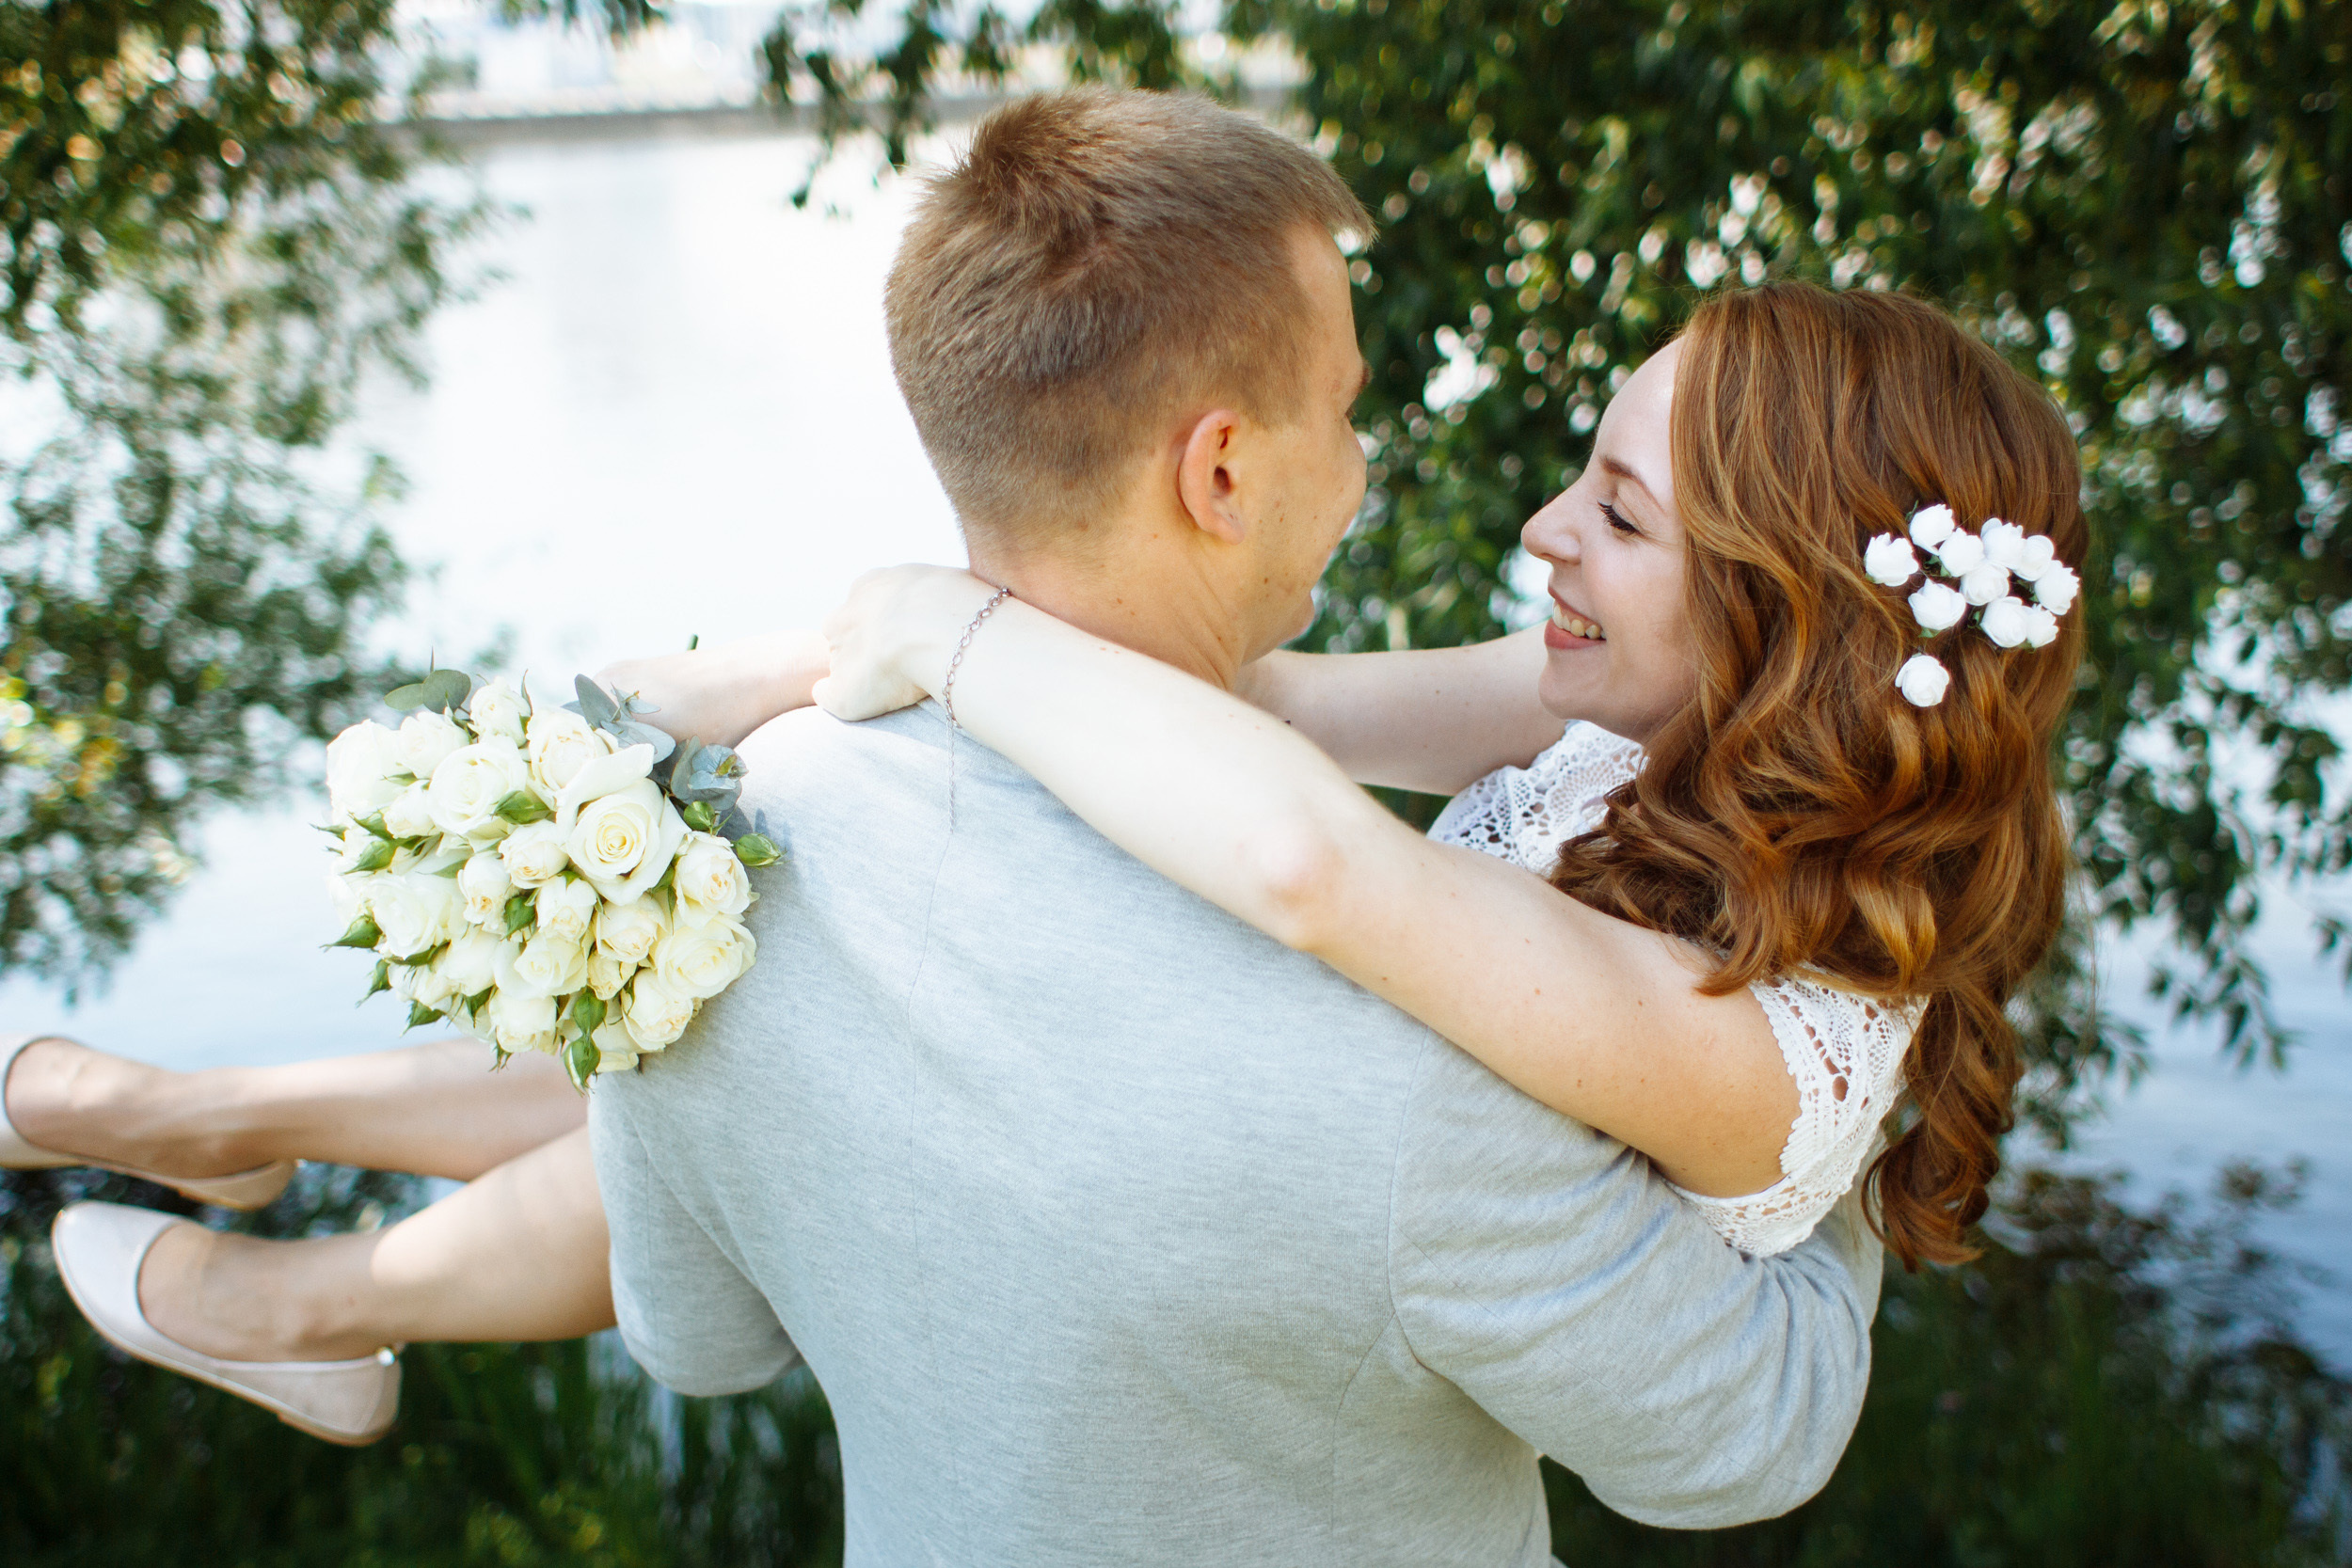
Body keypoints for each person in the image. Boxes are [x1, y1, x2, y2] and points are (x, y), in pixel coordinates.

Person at [0, 90, 2023, 1558]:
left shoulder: (1748, 1055)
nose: (1517, 519)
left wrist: (930, 637)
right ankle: (235, 1161)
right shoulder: (1603, 724)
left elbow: (1316, 861)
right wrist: (784, 668)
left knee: (749, 1014)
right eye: (1352, 398)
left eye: (1613, 506)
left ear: (1778, 608)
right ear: (1220, 465)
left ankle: (248, 1191)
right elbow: (1274, 712)